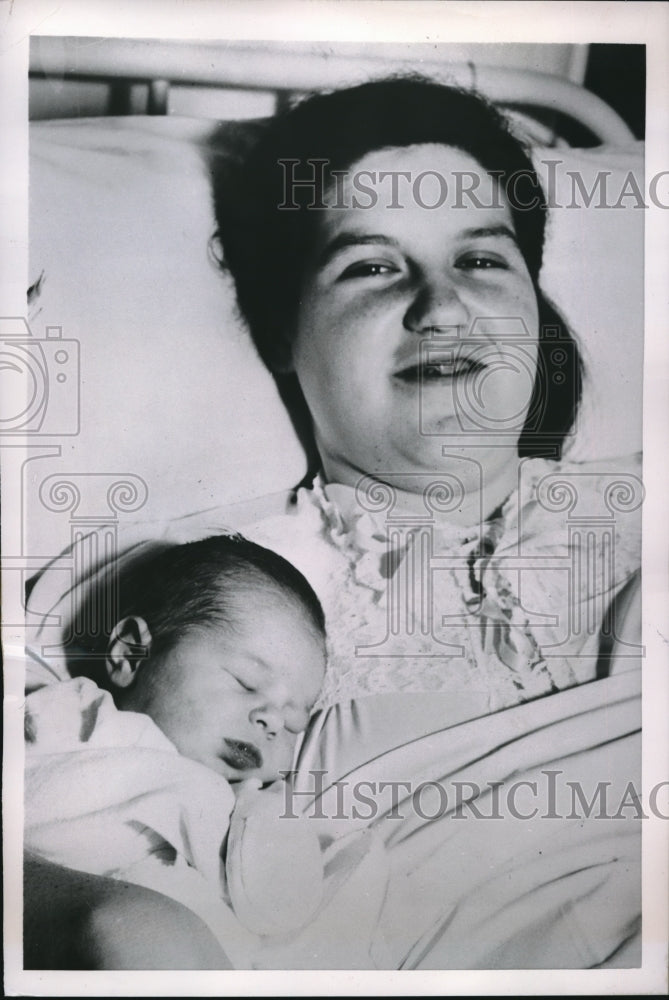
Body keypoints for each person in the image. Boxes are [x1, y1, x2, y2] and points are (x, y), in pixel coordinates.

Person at [25, 76, 643, 969]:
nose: (443, 307)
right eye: (371, 265)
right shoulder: (191, 596)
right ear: (282, 327)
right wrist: (99, 915)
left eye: (481, 259)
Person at [24, 534, 328, 968]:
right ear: (130, 654)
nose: (273, 722)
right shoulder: (79, 712)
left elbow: (282, 903)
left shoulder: (242, 808)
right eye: (246, 682)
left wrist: (267, 820)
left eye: (295, 720)